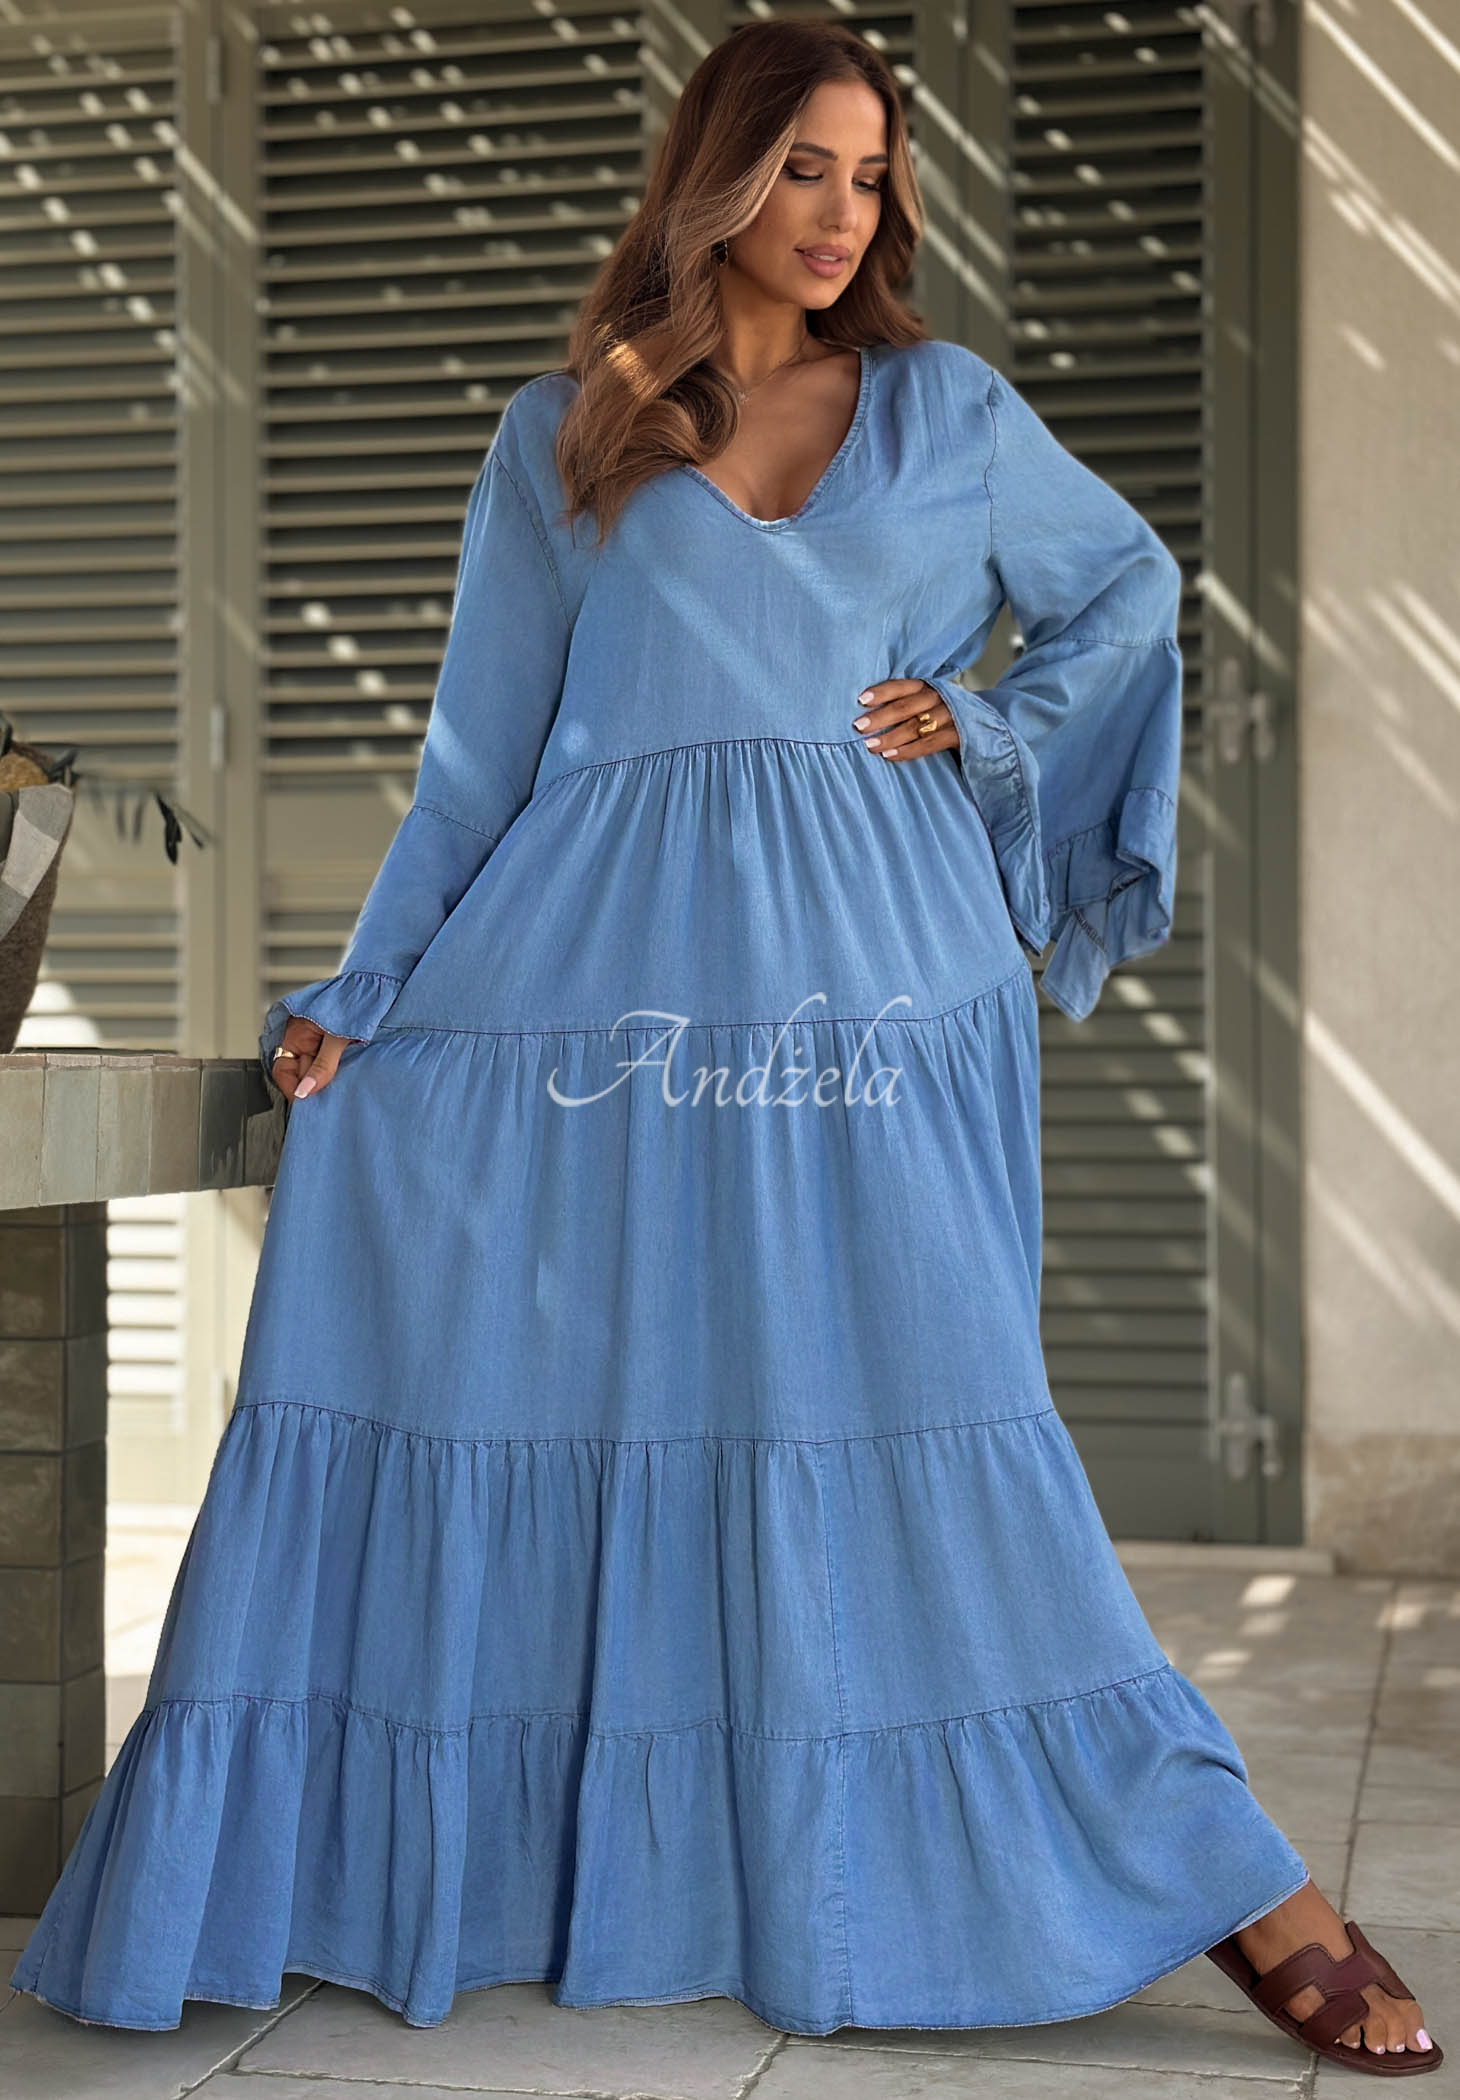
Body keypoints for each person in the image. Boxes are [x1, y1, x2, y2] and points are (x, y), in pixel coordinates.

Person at [8, 17, 1439, 2075]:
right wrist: (371, 993)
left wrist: (995, 730)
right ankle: (571, 1865)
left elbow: (1124, 598)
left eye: (871, 175)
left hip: (884, 988)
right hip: (590, 986)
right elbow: (479, 760)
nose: (844, 212)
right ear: (717, 178)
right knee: (610, 1393)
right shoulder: (568, 433)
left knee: (931, 1402)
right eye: (803, 169)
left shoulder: (948, 411)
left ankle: (1223, 1874)